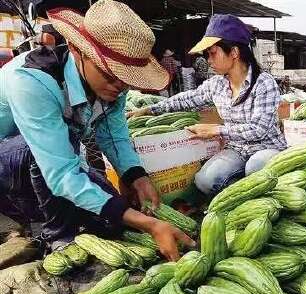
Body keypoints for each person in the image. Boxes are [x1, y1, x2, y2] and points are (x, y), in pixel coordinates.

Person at [0, 0, 193, 260]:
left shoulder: (114, 87)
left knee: (111, 220)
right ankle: (58, 237)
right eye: (110, 74)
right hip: (10, 161)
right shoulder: (31, 81)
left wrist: (136, 176)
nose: (119, 85)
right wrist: (149, 224)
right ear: (77, 50)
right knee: (71, 164)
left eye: (126, 78)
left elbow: (114, 136)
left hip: (56, 158)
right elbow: (61, 173)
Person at [128, 14, 286, 196]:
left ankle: (263, 193)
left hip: (266, 148)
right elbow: (188, 98)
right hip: (237, 149)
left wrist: (217, 130)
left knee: (256, 167)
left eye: (212, 53)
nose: (209, 60)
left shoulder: (264, 83)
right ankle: (241, 187)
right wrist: (150, 109)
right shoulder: (217, 84)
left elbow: (259, 129)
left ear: (234, 52)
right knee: (204, 181)